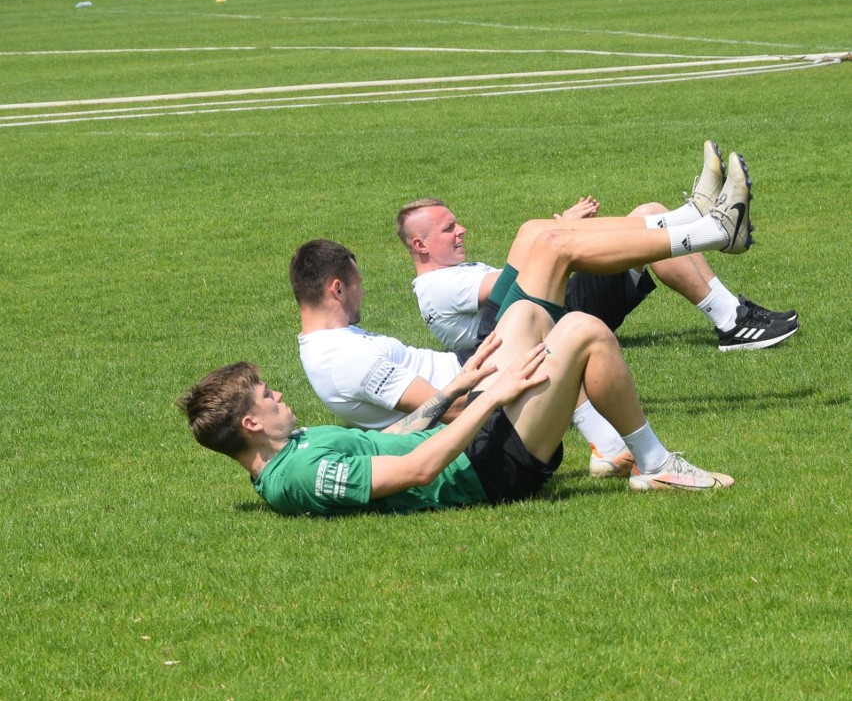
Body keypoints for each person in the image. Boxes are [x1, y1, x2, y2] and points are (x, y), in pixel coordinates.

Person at [291, 152, 755, 477]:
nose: (363, 294)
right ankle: (710, 230)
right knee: (552, 245)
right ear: (335, 288)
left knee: (541, 235)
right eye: (355, 286)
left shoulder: (336, 346)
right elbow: (446, 406)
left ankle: (699, 223)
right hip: (483, 379)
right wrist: (502, 383)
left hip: (481, 365)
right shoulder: (342, 358)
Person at [177, 299, 735, 518]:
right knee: (584, 331)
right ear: (251, 425)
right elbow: (417, 470)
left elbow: (396, 436)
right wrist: (491, 396)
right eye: (268, 397)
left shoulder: (290, 449)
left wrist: (458, 387)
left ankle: (611, 450)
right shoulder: (294, 476)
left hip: (471, 445)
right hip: (486, 473)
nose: (279, 396)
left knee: (523, 318)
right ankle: (656, 462)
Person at [397, 141, 797, 358]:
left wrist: (561, 233)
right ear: (420, 245)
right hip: (556, 326)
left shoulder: (447, 276)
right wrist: (562, 233)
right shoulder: (437, 288)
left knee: (648, 213)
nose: (462, 230)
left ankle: (700, 225)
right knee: (585, 239)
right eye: (449, 229)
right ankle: (724, 286)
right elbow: (514, 287)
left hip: (560, 313)